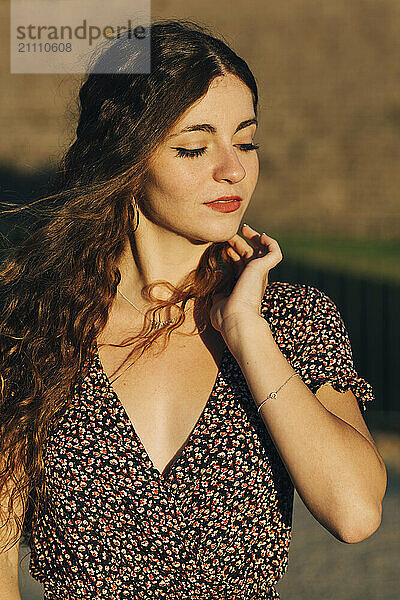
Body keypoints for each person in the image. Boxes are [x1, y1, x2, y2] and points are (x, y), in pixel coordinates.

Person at [0, 18, 387, 600]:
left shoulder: (289, 321)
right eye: (195, 147)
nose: (233, 168)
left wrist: (247, 333)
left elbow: (355, 513)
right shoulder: (33, 329)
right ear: (126, 156)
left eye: (247, 141)